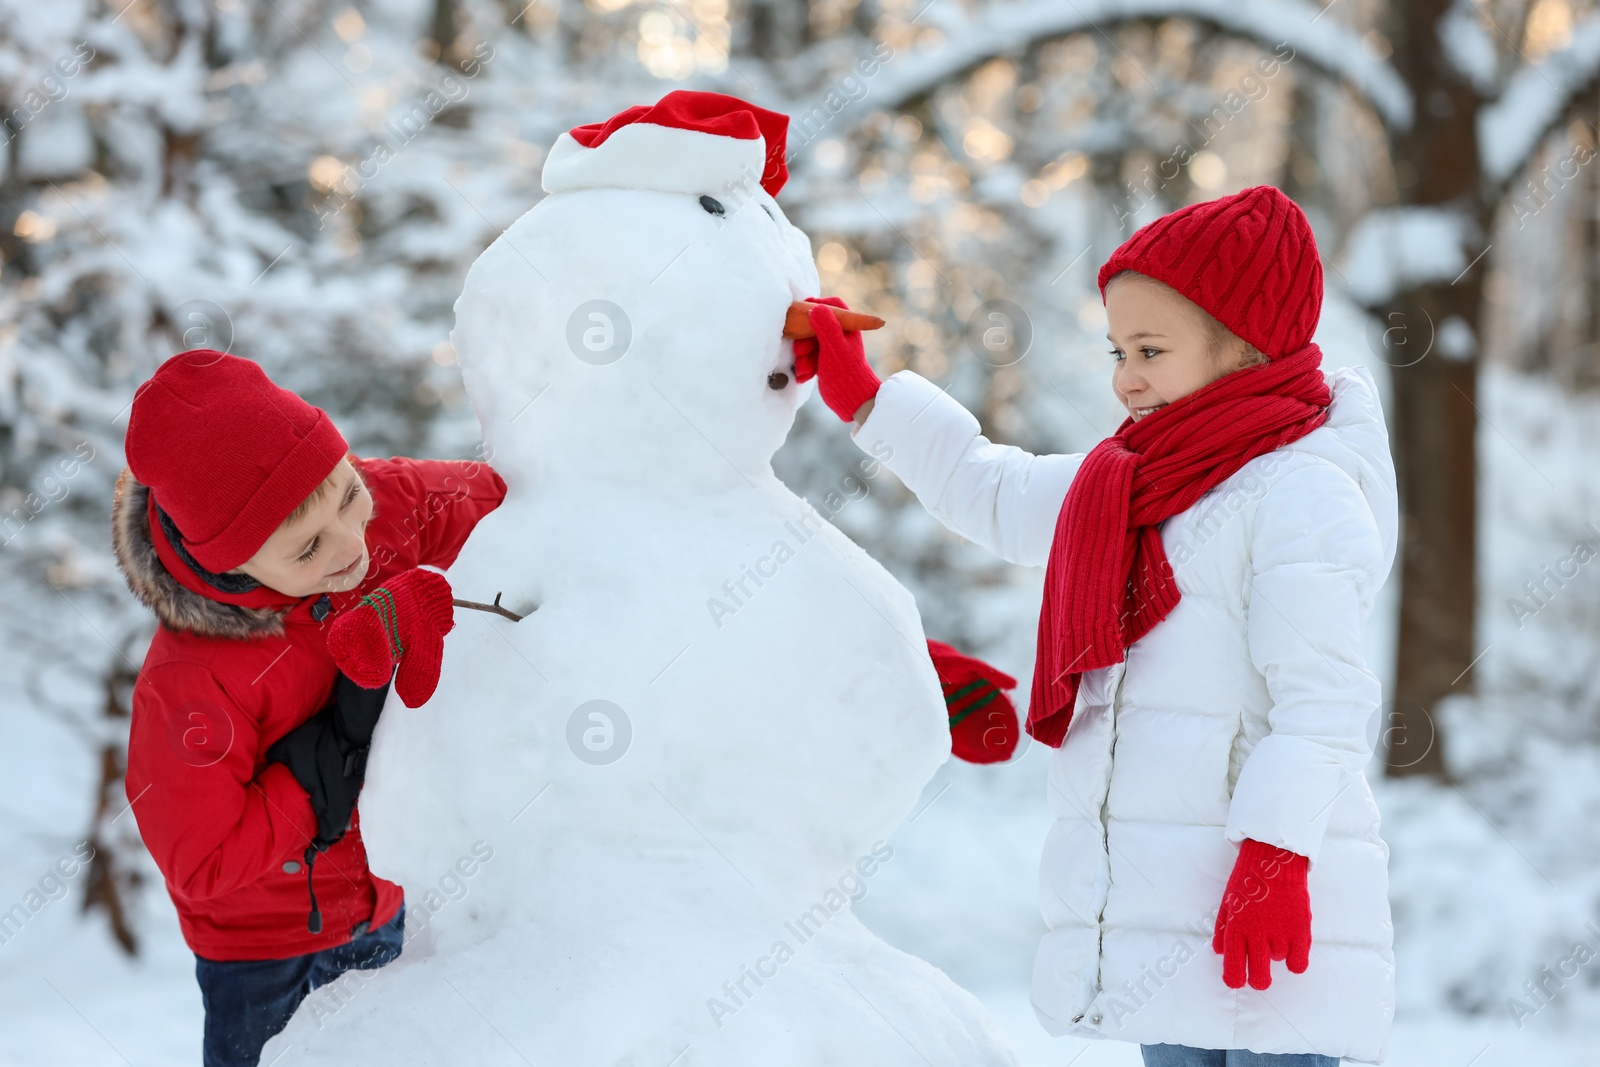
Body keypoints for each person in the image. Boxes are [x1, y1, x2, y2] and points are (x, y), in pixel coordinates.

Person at [797, 186, 1397, 1065]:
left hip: (1272, 896)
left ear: (1245, 346)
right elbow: (992, 489)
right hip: (1158, 911)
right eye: (1119, 350)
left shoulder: (1301, 494)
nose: (1126, 377)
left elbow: (1326, 704)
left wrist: (1275, 855)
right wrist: (864, 397)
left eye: (1152, 350)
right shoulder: (1131, 481)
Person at [111, 348, 508, 1066]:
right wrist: (321, 774)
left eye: (349, 494)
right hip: (267, 959)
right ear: (232, 564)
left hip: (386, 907)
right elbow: (199, 861)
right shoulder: (193, 679)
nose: (354, 545)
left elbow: (518, 495)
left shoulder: (383, 504)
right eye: (308, 549)